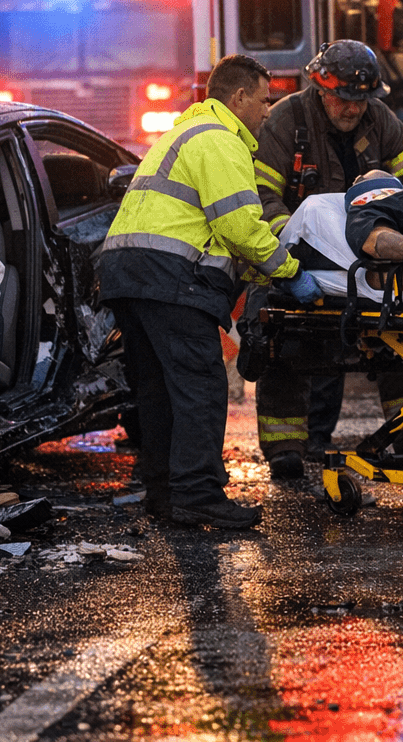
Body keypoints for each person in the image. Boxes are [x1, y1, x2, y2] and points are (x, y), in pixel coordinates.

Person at [99, 54, 323, 529]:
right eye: (264, 101)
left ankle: (165, 494)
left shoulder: (183, 133)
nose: (268, 111)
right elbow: (240, 225)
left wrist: (259, 273)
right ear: (238, 97)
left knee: (158, 391)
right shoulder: (221, 142)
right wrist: (288, 270)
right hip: (169, 278)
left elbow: (214, 231)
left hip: (127, 274)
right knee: (200, 386)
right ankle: (198, 494)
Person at [251, 40, 403, 477]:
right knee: (286, 346)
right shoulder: (285, 121)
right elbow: (262, 199)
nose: (353, 110)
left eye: (361, 100)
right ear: (320, 88)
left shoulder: (380, 119)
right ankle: (286, 450)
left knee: (401, 340)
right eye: (345, 99)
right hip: (299, 259)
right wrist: (291, 256)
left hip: (367, 259)